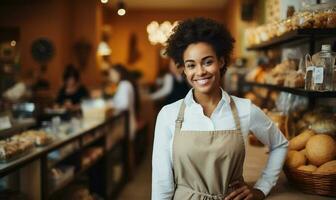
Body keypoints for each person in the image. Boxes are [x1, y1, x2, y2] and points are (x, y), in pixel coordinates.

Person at [152, 18, 288, 200]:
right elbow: (162, 182)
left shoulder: (245, 109)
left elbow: (280, 144)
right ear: (184, 69)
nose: (200, 72)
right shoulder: (169, 114)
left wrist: (261, 189)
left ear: (221, 61)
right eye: (191, 65)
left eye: (207, 62)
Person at [107, 63, 140, 140]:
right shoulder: (126, 84)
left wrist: (110, 104)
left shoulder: (124, 84)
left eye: (111, 74)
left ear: (118, 73)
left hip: (125, 124)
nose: (110, 77)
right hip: (126, 122)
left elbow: (124, 104)